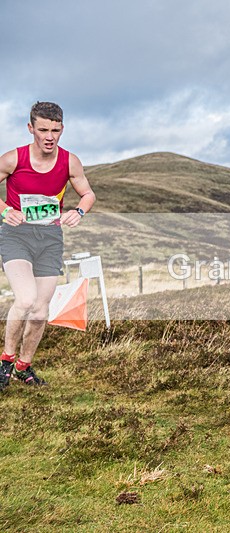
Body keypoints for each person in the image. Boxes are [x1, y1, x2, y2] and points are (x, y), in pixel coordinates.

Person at [0, 101, 96, 390]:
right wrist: (5, 211)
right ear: (31, 128)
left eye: (55, 130)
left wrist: (78, 211)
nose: (49, 136)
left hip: (50, 238)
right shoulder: (13, 159)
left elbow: (88, 193)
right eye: (43, 129)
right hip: (16, 235)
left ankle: (23, 367)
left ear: (62, 129)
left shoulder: (70, 161)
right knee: (26, 300)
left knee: (41, 311)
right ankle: (5, 362)